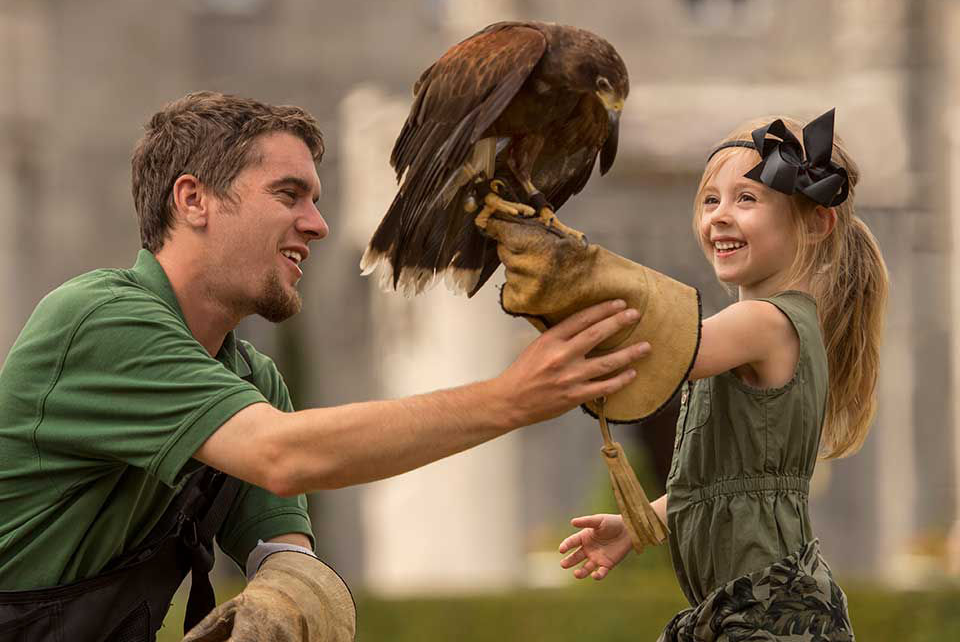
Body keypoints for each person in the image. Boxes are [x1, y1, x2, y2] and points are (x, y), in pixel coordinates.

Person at [0, 91, 653, 642]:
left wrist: (289, 596)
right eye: (289, 194)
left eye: (315, 198)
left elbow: (285, 555)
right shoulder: (99, 322)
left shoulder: (251, 381)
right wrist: (511, 397)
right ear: (193, 200)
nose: (318, 224)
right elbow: (282, 455)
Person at [482, 109, 888, 640]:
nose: (719, 215)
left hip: (772, 613)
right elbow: (728, 486)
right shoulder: (758, 327)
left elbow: (664, 348)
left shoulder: (764, 322)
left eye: (746, 198)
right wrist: (640, 522)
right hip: (752, 608)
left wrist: (559, 264)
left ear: (814, 222)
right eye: (709, 199)